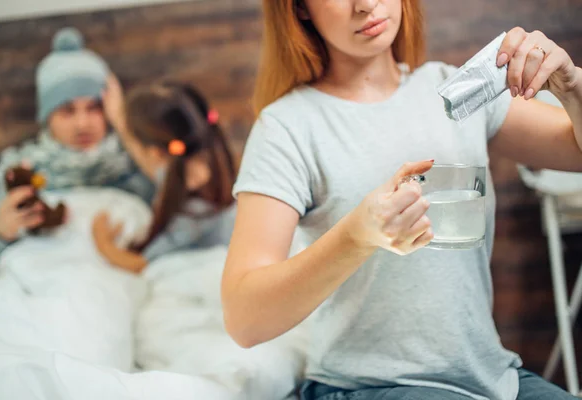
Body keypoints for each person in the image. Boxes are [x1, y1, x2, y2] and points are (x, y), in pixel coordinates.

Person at [221, 1, 582, 399]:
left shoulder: (458, 90)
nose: (366, 4)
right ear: (300, 9)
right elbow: (244, 320)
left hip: (493, 379)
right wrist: (356, 236)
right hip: (370, 388)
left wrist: (572, 87)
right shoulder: (287, 128)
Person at [0, 27, 154, 274]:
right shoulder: (22, 171)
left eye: (93, 108)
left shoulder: (132, 164)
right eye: (67, 110)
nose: (82, 123)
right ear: (47, 117)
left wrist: (126, 128)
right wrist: (0, 233)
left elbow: (181, 221)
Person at [92, 79, 237, 273]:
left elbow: (141, 263)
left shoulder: (196, 212)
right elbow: (156, 169)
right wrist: (119, 119)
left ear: (155, 153)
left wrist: (103, 244)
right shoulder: (209, 163)